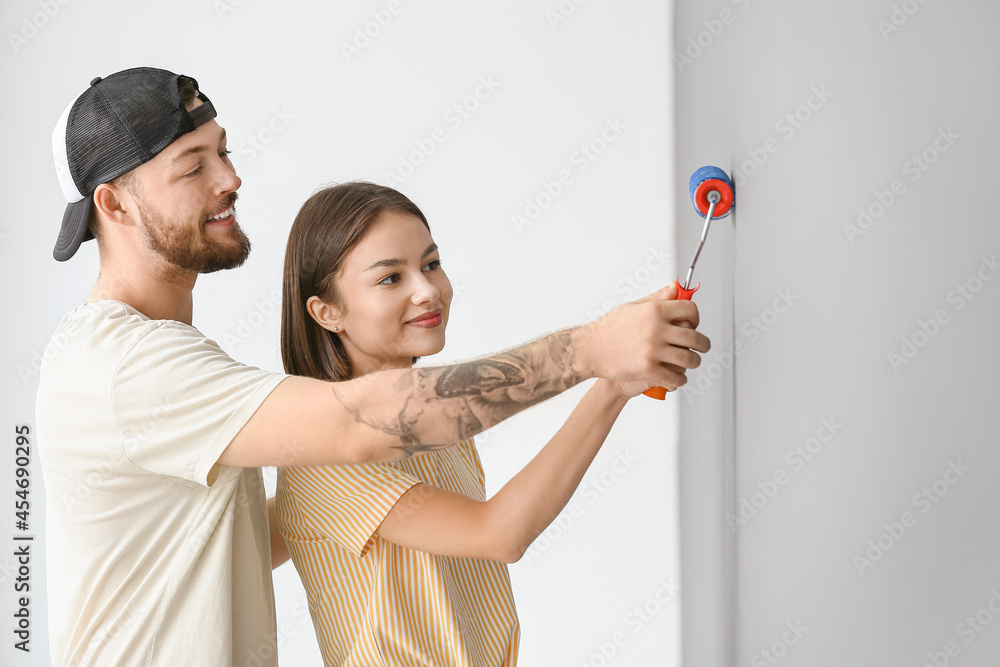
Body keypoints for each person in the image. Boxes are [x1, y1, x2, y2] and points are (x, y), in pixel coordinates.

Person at [36, 67, 709, 667]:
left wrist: (615, 370)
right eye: (192, 166)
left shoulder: (176, 364)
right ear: (114, 204)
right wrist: (592, 351)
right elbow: (360, 427)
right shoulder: (124, 364)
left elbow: (261, 524)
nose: (231, 180)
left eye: (224, 152)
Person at [276, 182, 700, 666]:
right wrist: (607, 376)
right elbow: (498, 534)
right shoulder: (325, 456)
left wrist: (616, 381)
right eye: (391, 278)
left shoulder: (432, 422)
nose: (428, 291)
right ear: (327, 313)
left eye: (431, 264)